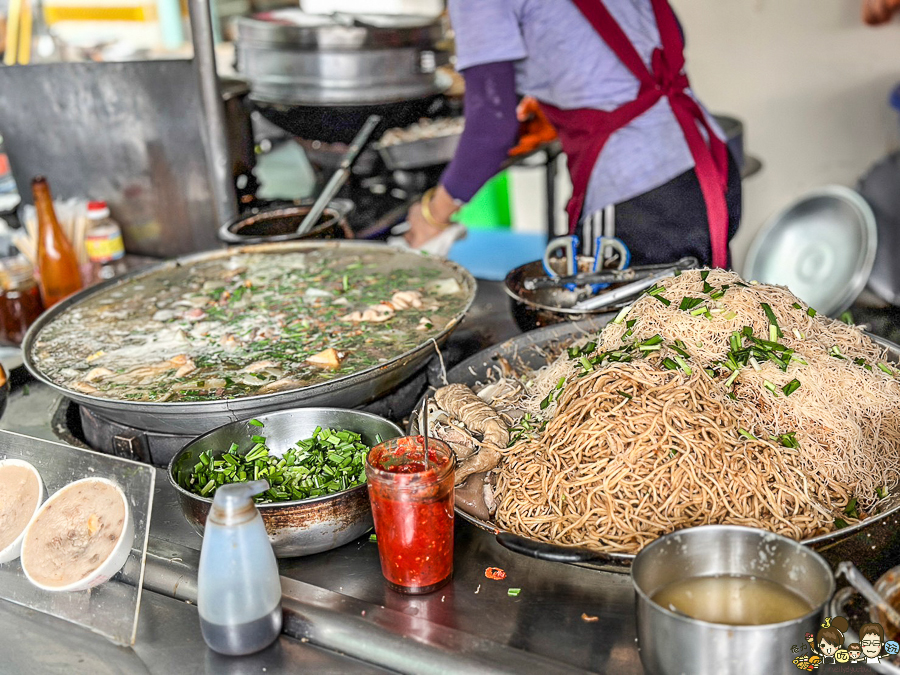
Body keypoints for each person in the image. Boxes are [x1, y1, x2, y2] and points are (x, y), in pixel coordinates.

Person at [405, 0, 742, 269]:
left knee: (636, 345)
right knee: (710, 331)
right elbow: (664, 44)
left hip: (640, 196)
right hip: (709, 164)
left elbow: (490, 131)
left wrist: (433, 214)